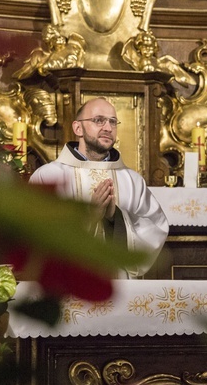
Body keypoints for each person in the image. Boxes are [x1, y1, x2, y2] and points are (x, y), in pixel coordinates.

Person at [29, 97, 169, 278]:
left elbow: (155, 227)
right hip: (65, 288)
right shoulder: (48, 177)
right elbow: (34, 234)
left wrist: (115, 218)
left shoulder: (132, 180)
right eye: (98, 120)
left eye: (112, 122)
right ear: (77, 128)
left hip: (120, 287)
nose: (108, 128)